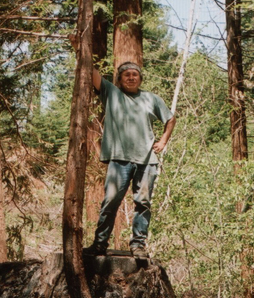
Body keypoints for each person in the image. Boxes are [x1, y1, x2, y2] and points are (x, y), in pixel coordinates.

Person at [70, 35, 176, 258]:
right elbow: (91, 73)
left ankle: (138, 246)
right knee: (110, 201)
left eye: (135, 75)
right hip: (119, 159)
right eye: (126, 75)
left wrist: (164, 140)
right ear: (119, 79)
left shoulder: (151, 99)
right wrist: (80, 47)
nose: (131, 78)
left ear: (140, 78)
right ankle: (100, 244)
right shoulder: (112, 93)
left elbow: (170, 119)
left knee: (143, 203)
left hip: (147, 160)